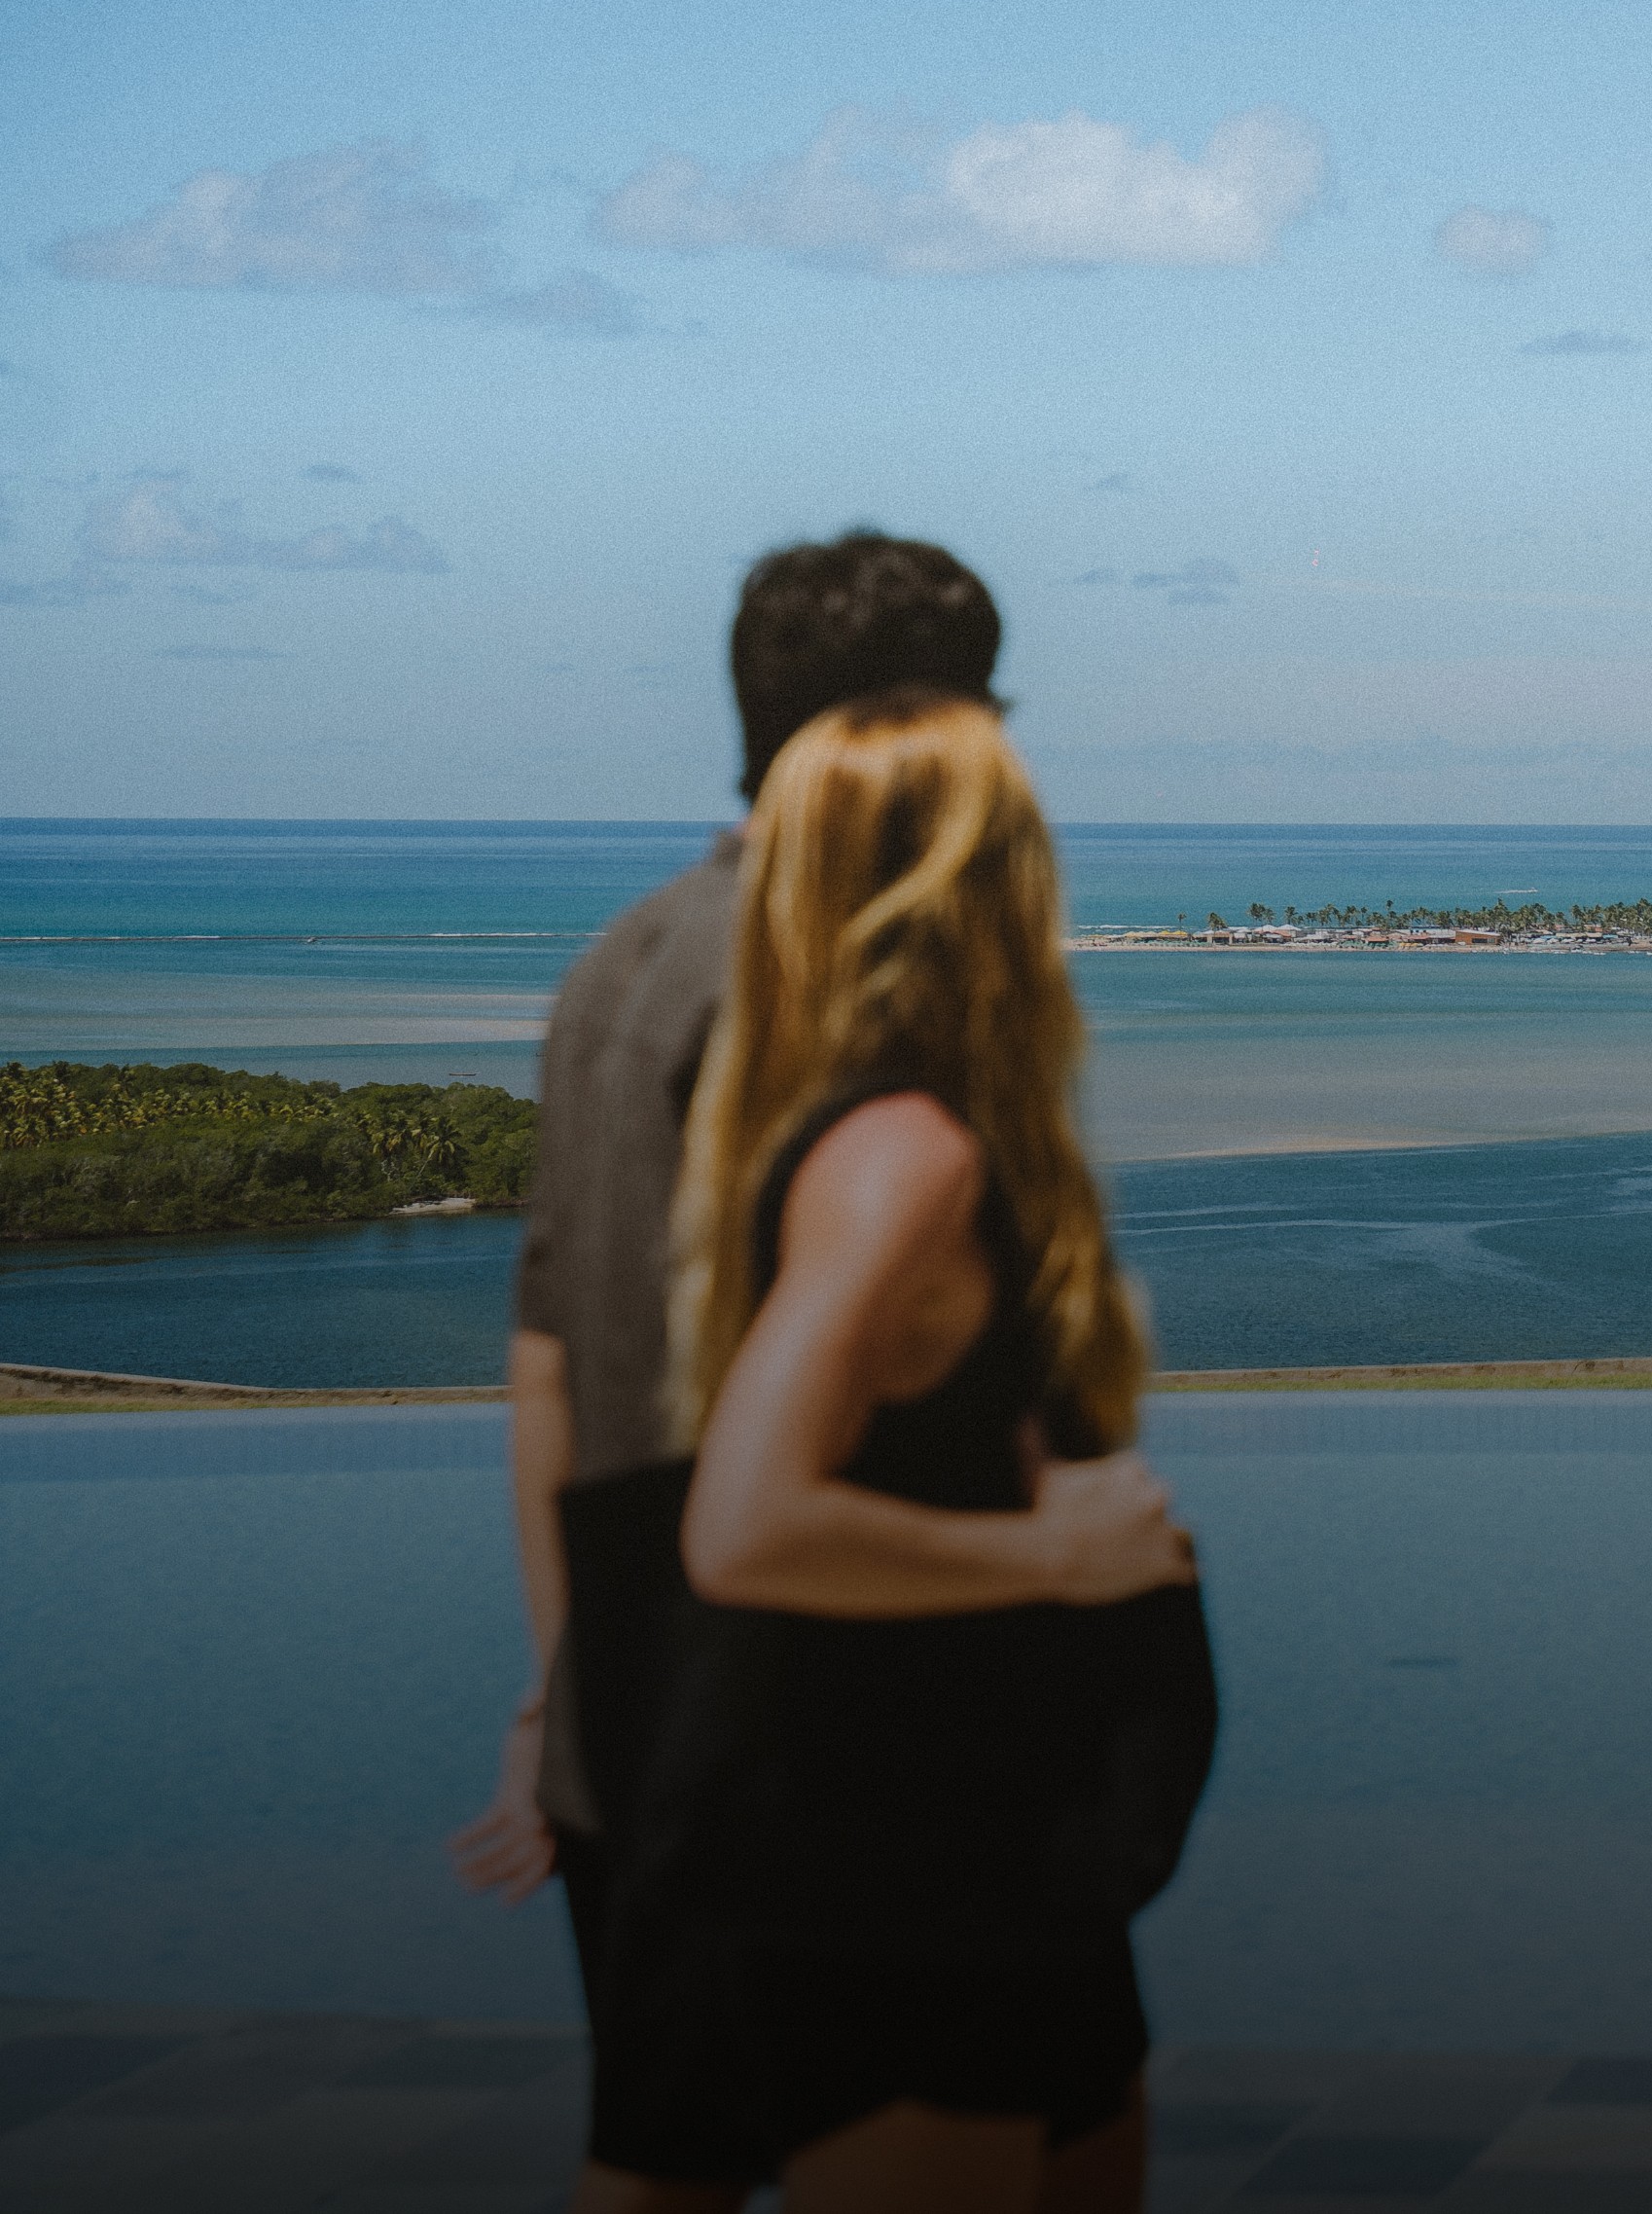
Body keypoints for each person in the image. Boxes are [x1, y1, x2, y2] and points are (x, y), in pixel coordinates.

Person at [450, 533, 1168, 2209]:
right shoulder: (830, 1002)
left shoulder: (614, 970)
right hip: (845, 1732)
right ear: (945, 732)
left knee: (675, 2152)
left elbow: (552, 1367)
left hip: (656, 1702)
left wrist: (571, 1692)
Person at [609, 687, 1203, 2210]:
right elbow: (744, 1525)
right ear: (984, 883)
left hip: (994, 1848)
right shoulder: (903, 1163)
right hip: (900, 1867)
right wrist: (1055, 1551)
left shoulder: (906, 1139)